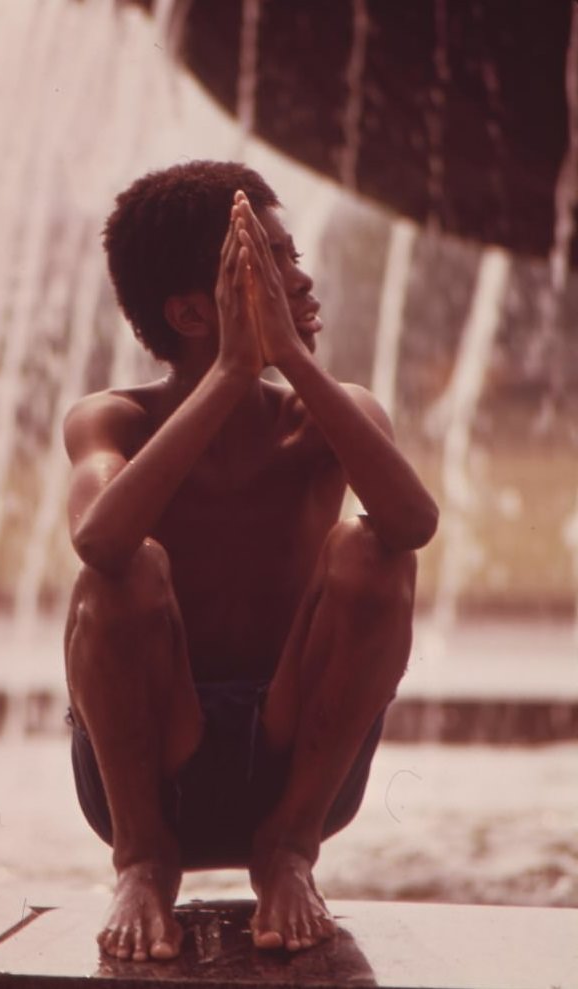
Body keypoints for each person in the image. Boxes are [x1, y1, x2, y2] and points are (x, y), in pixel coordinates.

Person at [63, 160, 438, 963]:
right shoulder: (112, 420)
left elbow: (414, 522)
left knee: (376, 552)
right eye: (272, 265)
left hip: (293, 755)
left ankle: (287, 853)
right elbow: (98, 541)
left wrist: (293, 362)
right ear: (195, 312)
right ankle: (142, 862)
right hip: (151, 758)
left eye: (292, 255)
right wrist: (235, 371)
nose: (302, 280)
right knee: (124, 566)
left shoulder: (331, 415)